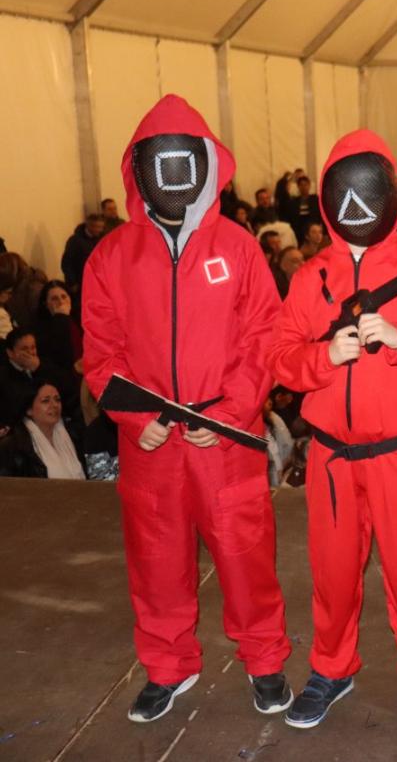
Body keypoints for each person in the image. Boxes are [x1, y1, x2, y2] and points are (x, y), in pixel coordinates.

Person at [82, 94, 291, 723]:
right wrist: (137, 421)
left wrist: (227, 414)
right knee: (156, 561)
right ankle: (168, 666)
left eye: (185, 160)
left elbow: (263, 340)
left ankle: (264, 660)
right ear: (141, 169)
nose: (174, 174)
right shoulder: (113, 256)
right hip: (150, 445)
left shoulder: (240, 248)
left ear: (206, 166)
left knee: (245, 554)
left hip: (223, 439)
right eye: (161, 162)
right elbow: (101, 350)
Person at [266, 130, 397, 735]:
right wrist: (324, 356)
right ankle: (332, 666)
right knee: (330, 572)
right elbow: (279, 356)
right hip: (329, 457)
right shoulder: (310, 276)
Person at [0, 381, 84, 479]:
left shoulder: (74, 435)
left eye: (57, 400)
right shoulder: (13, 446)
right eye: (45, 401)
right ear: (29, 410)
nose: (54, 405)